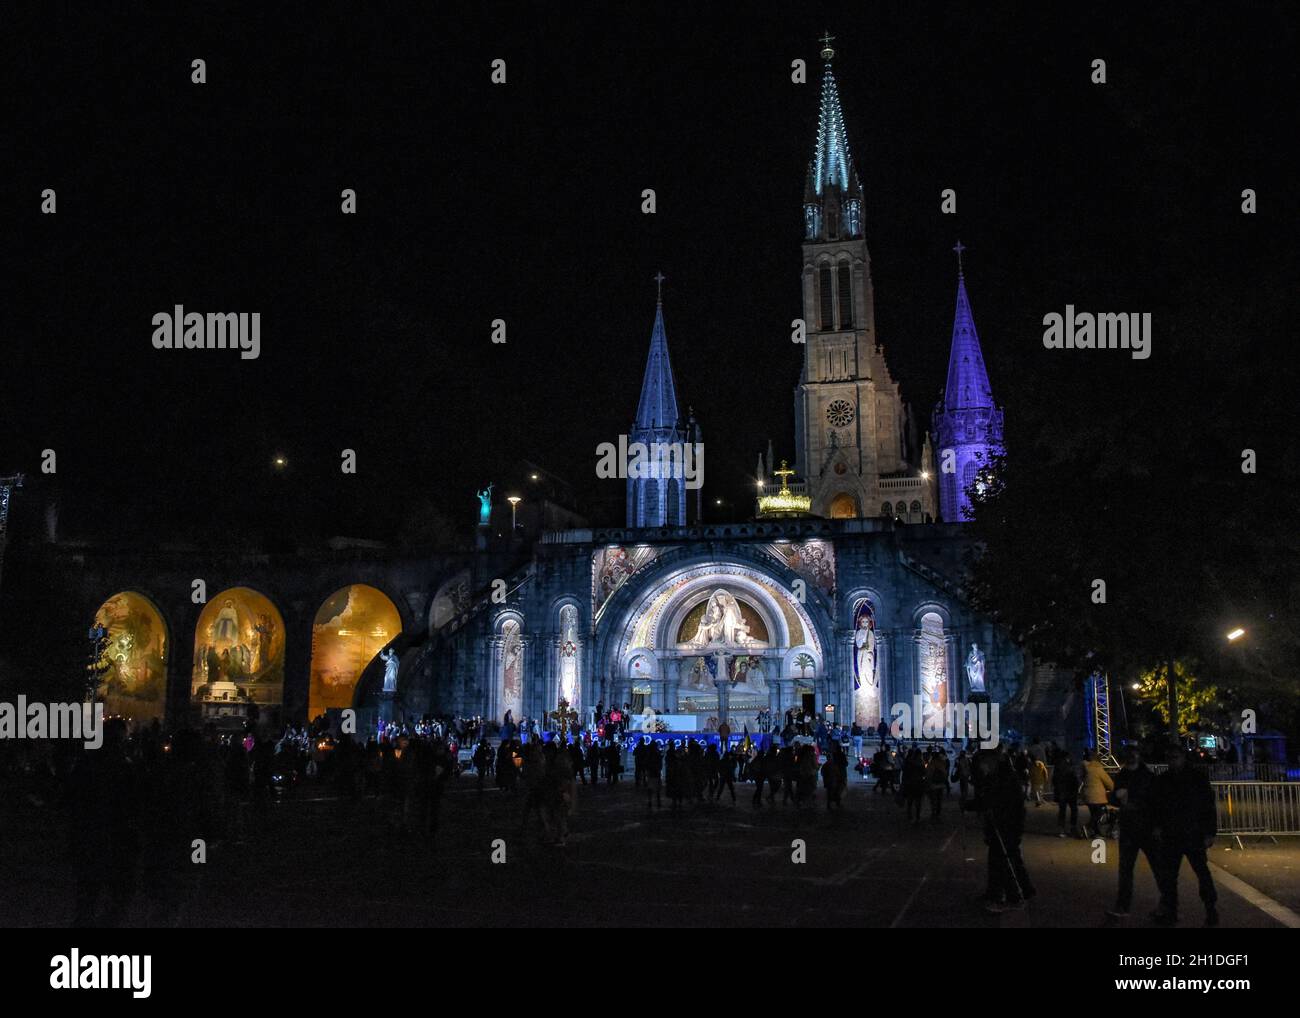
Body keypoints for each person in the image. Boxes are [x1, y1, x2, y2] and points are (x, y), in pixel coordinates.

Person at [1150, 748, 1219, 927]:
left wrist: (1210, 832)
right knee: (1175, 876)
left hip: (1188, 833)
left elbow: (1208, 806)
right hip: (1179, 833)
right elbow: (1158, 806)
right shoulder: (1175, 779)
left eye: (1176, 757)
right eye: (1171, 758)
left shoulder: (1191, 779)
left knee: (1197, 874)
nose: (1173, 761)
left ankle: (1208, 909)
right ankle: (1175, 910)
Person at [966, 750, 1035, 911]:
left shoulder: (1005, 779)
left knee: (1007, 861)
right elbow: (986, 800)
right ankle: (996, 893)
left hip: (1006, 827)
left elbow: (995, 802)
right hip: (999, 826)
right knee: (998, 861)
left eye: (986, 761)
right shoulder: (996, 777)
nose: (985, 765)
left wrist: (975, 805)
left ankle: (1014, 896)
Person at [1105, 747, 1159, 919]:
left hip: (1145, 827)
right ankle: (1123, 905)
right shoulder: (1125, 775)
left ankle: (1168, 903)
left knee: (1157, 868)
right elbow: (1115, 797)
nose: (1131, 758)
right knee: (1126, 869)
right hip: (1130, 827)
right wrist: (1115, 797)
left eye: (1133, 756)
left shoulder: (1147, 777)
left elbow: (1155, 802)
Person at [1080, 750, 1115, 838]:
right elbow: (1109, 782)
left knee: (1094, 815)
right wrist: (1113, 789)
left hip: (1088, 796)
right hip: (1097, 797)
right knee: (1099, 814)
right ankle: (1087, 827)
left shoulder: (1087, 768)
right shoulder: (1098, 769)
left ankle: (1096, 833)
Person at [1052, 751, 1080, 837]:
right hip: (1070, 791)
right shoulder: (1070, 766)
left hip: (1061, 791)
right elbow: (1074, 778)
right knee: (1074, 809)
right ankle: (1073, 827)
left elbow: (1054, 779)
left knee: (1062, 810)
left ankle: (1062, 830)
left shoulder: (1057, 766)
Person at [901, 748, 926, 824]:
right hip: (918, 783)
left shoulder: (909, 762)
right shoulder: (921, 763)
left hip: (910, 783)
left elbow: (905, 772)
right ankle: (917, 816)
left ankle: (909, 814)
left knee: (910, 800)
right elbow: (924, 773)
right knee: (918, 801)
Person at [925, 749, 949, 820]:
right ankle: (938, 813)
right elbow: (945, 774)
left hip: (933, 785)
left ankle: (934, 813)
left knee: (933, 800)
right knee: (939, 800)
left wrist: (927, 783)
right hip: (941, 785)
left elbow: (929, 775)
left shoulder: (932, 763)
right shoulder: (941, 763)